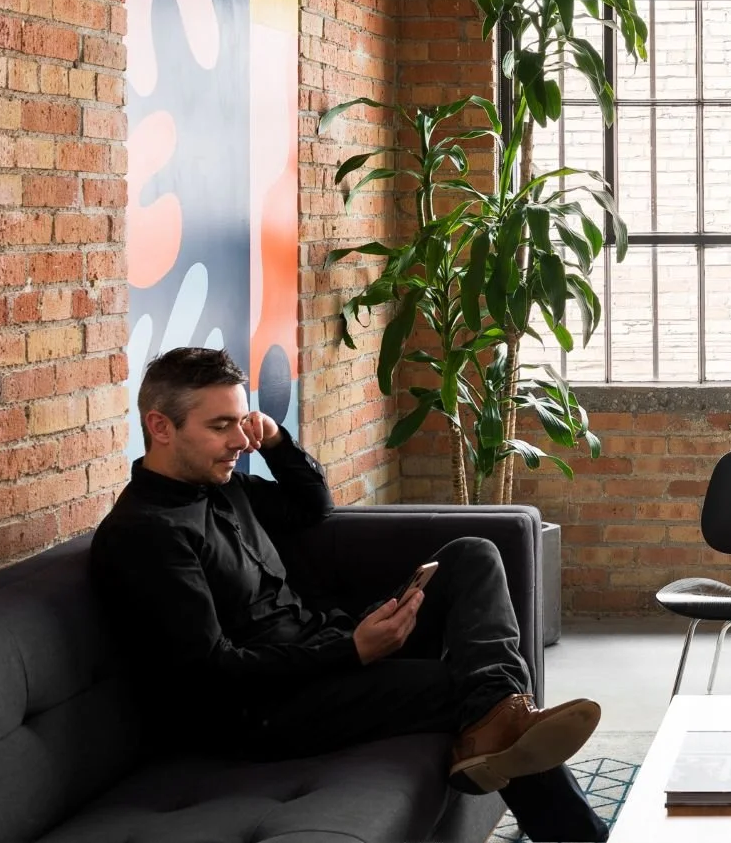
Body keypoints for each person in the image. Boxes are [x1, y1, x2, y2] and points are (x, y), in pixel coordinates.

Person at [90, 347, 609, 841]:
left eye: (241, 422)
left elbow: (313, 506)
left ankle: (502, 720)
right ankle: (573, 825)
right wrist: (352, 651)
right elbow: (213, 673)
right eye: (220, 426)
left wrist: (275, 441)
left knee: (473, 555)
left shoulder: (220, 486)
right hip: (266, 712)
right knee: (467, 688)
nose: (240, 442)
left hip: (322, 649)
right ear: (161, 427)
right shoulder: (147, 534)